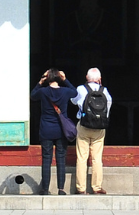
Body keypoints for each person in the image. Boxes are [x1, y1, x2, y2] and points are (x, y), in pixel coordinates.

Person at [31, 69, 75, 196]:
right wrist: (65, 78)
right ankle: (61, 189)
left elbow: (33, 95)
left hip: (46, 129)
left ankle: (45, 189)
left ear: (48, 78)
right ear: (59, 78)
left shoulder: (43, 92)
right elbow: (75, 92)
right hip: (61, 130)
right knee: (61, 159)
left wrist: (40, 81)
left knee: (46, 159)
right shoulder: (66, 91)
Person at [72, 67, 112, 196]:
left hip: (83, 125)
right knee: (97, 158)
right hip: (99, 128)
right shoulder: (104, 91)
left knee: (82, 158)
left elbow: (73, 101)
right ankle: (97, 187)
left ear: (86, 77)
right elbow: (108, 106)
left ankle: (81, 188)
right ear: (99, 79)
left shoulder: (80, 89)